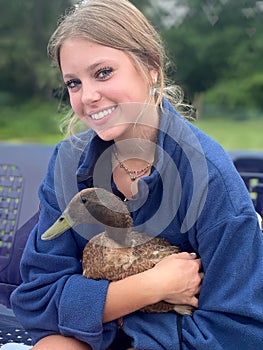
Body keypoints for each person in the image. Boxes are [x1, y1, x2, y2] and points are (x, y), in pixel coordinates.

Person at [9, 0, 263, 349]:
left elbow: (238, 329)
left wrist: (123, 329)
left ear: (151, 67)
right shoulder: (68, 163)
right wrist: (148, 288)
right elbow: (36, 298)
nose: (88, 96)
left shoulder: (209, 177)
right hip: (88, 336)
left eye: (103, 73)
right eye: (73, 83)